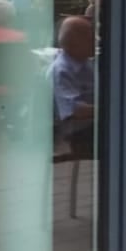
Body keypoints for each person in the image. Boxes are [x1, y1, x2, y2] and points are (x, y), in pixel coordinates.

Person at [49, 16, 96, 157]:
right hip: (77, 131)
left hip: (92, 123)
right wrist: (111, 110)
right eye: (90, 37)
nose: (96, 41)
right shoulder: (61, 70)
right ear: (75, 43)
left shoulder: (86, 63)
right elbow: (74, 109)